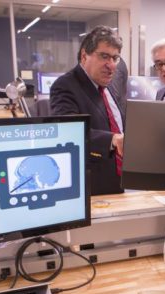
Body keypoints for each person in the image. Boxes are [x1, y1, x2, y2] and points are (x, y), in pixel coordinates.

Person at [50, 25, 125, 195]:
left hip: (121, 179)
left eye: (115, 58)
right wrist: (112, 139)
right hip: (93, 186)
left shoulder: (110, 84)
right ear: (84, 56)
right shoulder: (65, 86)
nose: (111, 65)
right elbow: (68, 130)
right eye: (104, 56)